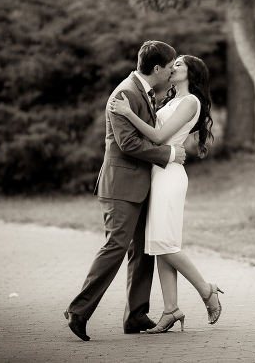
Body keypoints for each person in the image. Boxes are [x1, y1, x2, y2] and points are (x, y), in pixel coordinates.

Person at [64, 41, 187, 341]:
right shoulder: (125, 93)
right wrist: (168, 154)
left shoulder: (142, 90)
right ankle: (78, 311)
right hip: (121, 186)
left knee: (142, 250)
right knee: (116, 247)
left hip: (140, 186)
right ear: (157, 68)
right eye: (170, 65)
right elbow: (128, 143)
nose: (173, 69)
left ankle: (135, 315)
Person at [108, 54, 223, 333]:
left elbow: (159, 139)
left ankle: (206, 290)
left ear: (191, 72)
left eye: (179, 64)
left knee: (163, 242)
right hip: (158, 172)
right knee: (160, 244)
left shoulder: (190, 102)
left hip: (169, 175)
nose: (173, 67)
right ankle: (171, 309)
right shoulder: (170, 100)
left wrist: (127, 113)